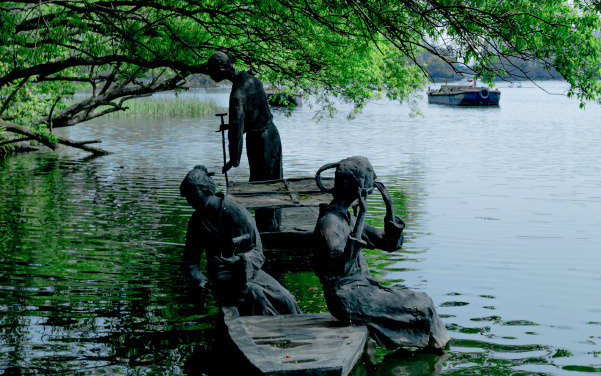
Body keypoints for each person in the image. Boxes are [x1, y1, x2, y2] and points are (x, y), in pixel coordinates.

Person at [312, 156, 449, 351]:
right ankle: (437, 352)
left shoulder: (345, 217)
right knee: (421, 307)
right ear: (356, 188)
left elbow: (388, 244)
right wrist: (361, 216)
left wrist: (390, 209)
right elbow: (342, 267)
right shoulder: (330, 222)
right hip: (347, 299)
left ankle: (437, 348)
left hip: (362, 290)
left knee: (422, 299)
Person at [180, 165, 301, 316]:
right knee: (253, 293)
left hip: (248, 271)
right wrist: (200, 281)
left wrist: (239, 260)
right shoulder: (197, 221)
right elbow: (190, 264)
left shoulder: (236, 213)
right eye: (187, 198)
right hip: (220, 277)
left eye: (194, 195)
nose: (191, 202)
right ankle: (260, 331)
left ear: (206, 190)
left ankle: (294, 328)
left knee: (286, 299)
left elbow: (257, 253)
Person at [202, 50, 282, 182]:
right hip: (272, 135)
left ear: (221, 68)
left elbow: (236, 130)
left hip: (260, 142)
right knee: (273, 182)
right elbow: (255, 116)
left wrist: (233, 160)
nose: (209, 73)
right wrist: (230, 126)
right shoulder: (253, 80)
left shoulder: (237, 94)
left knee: (261, 184)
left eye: (211, 69)